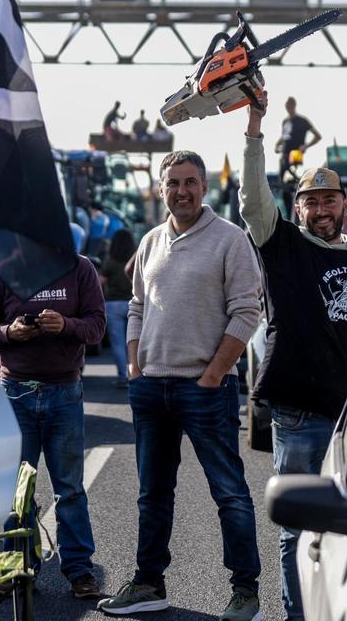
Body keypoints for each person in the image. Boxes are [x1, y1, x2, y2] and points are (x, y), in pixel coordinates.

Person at [240, 89, 347, 620]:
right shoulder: (281, 245)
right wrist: (256, 127)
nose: (321, 208)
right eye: (311, 201)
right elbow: (253, 199)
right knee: (297, 533)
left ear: (345, 205)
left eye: (330, 200)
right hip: (299, 416)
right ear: (298, 207)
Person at [97, 151, 263, 621]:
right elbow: (134, 306)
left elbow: (247, 310)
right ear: (161, 188)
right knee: (152, 494)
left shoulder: (231, 240)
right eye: (173, 183)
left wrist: (212, 375)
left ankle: (245, 591)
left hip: (205, 389)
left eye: (190, 182)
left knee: (228, 492)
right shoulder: (150, 242)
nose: (182, 191)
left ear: (205, 187)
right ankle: (149, 583)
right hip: (152, 389)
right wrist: (134, 364)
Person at [0, 248, 107, 600]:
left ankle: (80, 571)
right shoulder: (2, 271)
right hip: (14, 392)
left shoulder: (80, 268)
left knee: (70, 489)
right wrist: (10, 332)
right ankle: (17, 567)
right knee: (17, 489)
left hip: (64, 391)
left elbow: (97, 326)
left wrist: (66, 326)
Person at [99, 228, 136, 387]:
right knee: (134, 341)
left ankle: (123, 376)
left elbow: (100, 282)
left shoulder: (110, 260)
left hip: (112, 304)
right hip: (134, 303)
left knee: (118, 343)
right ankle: (135, 374)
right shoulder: (136, 258)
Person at [274, 97, 321, 183]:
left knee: (295, 177)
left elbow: (317, 136)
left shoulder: (302, 120)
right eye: (287, 106)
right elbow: (285, 136)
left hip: (295, 154)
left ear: (294, 105)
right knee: (281, 179)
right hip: (284, 154)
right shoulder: (285, 121)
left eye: (290, 105)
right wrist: (277, 145)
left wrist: (306, 146)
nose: (288, 108)